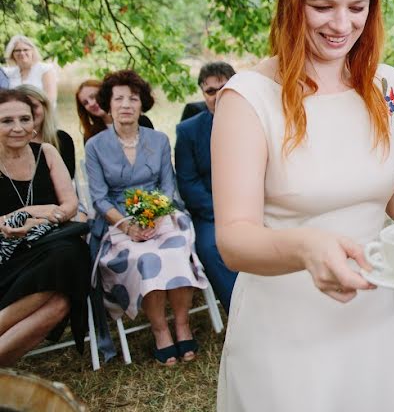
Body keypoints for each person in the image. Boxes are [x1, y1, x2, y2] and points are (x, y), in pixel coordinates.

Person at [212, 0, 394, 411]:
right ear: (292, 4)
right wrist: (307, 246)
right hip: (285, 333)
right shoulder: (248, 97)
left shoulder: (388, 86)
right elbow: (234, 239)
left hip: (373, 317)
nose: (341, 25)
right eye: (322, 7)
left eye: (357, 7)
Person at [85, 70, 208, 366]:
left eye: (133, 98)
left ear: (142, 105)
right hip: (118, 221)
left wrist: (154, 217)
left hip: (161, 213)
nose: (126, 104)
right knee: (145, 258)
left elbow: (167, 185)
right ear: (108, 104)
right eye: (119, 99)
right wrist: (128, 225)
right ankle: (160, 330)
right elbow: (99, 198)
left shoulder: (158, 140)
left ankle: (182, 324)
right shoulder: (95, 146)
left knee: (176, 249)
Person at [0, 89, 90, 365]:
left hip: (48, 245)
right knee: (60, 300)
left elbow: (69, 205)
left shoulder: (47, 152)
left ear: (35, 121)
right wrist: (24, 215)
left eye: (25, 119)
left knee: (69, 254)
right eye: (6, 121)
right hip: (6, 254)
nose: (18, 128)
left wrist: (33, 218)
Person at [175, 61, 238, 310]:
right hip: (211, 212)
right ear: (203, 94)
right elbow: (188, 183)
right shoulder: (188, 131)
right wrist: (222, 213)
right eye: (210, 91)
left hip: (260, 204)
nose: (217, 95)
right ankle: (240, 313)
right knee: (211, 247)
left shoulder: (257, 119)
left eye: (224, 88)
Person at [15, 85, 76, 179]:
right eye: (23, 108)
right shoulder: (6, 143)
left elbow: (68, 179)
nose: (29, 112)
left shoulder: (62, 139)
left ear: (45, 107)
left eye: (34, 106)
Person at [76, 79, 153, 144]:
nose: (91, 103)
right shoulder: (90, 135)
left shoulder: (141, 122)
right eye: (85, 103)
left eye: (93, 96)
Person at [3, 36, 57, 107]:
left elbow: (50, 99)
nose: (22, 53)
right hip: (16, 114)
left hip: (41, 113)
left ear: (32, 51)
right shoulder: (9, 73)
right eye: (17, 50)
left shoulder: (45, 69)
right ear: (12, 54)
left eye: (25, 50)